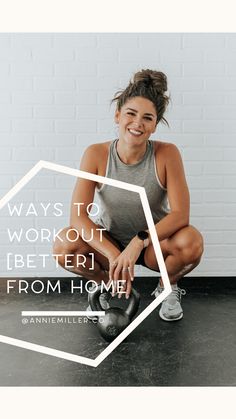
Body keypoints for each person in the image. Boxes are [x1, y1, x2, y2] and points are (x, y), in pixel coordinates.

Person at [53, 69, 204, 322]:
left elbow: (180, 215)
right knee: (64, 245)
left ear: (155, 125)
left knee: (191, 242)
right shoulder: (95, 154)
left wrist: (139, 241)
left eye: (147, 118)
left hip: (151, 245)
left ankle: (167, 288)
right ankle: (106, 285)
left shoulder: (167, 154)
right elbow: (78, 216)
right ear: (118, 115)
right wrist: (114, 255)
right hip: (108, 241)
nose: (137, 124)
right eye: (131, 114)